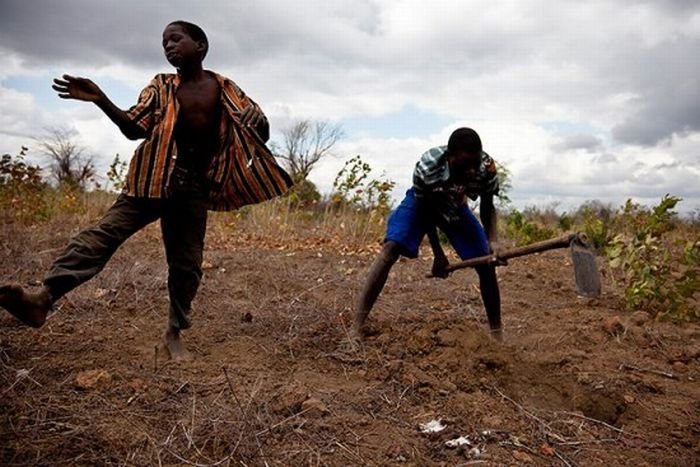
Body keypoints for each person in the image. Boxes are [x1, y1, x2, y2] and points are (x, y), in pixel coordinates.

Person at [0, 21, 292, 360]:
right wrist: (101, 99)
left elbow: (258, 130)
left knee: (186, 266)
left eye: (176, 39)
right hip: (150, 181)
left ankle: (174, 333)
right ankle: (43, 298)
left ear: (201, 46)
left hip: (193, 188)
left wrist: (262, 121)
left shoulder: (225, 88)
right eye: (164, 42)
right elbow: (133, 128)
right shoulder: (161, 86)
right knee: (100, 236)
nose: (168, 46)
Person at [352, 127, 503, 341]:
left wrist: (493, 241)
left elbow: (488, 205)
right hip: (423, 203)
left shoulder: (486, 167)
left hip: (456, 206)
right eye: (464, 165)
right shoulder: (428, 166)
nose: (471, 171)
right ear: (450, 158)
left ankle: (497, 335)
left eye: (474, 164)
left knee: (487, 263)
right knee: (391, 248)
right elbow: (427, 212)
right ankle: (356, 326)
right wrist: (438, 255)